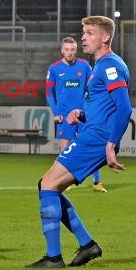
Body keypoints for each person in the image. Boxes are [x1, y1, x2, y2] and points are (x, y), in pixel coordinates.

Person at [28, 16, 132, 268]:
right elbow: (105, 106)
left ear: (105, 37)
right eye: (83, 33)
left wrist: (111, 144)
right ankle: (86, 245)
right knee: (48, 186)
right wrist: (82, 113)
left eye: (88, 33)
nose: (83, 37)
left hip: (96, 138)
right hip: (92, 132)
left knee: (48, 185)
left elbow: (124, 107)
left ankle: (55, 257)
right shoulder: (100, 66)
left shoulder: (109, 65)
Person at [46, 37, 107, 193]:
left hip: (84, 113)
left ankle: (97, 182)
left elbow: (94, 87)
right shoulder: (54, 69)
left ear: (76, 50)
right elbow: (48, 93)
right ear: (62, 50)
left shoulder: (84, 66)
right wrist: (56, 112)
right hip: (65, 115)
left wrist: (93, 107)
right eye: (66, 49)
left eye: (72, 49)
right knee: (65, 149)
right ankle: (66, 181)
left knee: (91, 145)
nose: (70, 52)